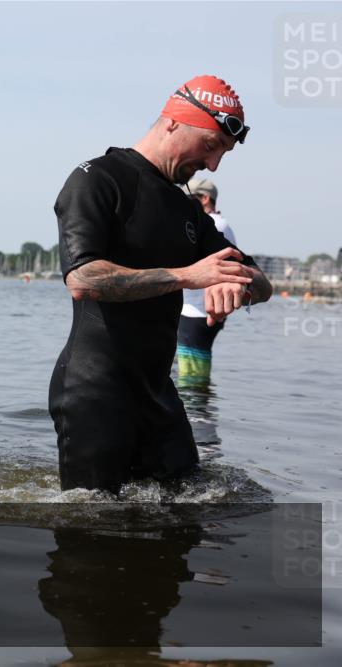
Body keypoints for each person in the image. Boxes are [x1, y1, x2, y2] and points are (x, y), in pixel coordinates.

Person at [48, 75, 272, 493]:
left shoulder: (184, 208)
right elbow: (83, 279)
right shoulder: (97, 179)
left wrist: (237, 282)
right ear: (173, 122)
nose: (213, 165)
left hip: (157, 394)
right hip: (95, 391)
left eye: (222, 154)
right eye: (210, 146)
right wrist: (191, 276)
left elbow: (263, 283)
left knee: (192, 512)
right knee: (92, 529)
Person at [177, 179, 236, 381]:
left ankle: (196, 412)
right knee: (188, 375)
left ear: (205, 198)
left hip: (198, 312)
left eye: (188, 200)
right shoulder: (218, 224)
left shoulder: (213, 224)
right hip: (196, 311)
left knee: (192, 379)